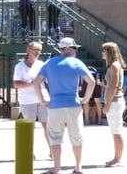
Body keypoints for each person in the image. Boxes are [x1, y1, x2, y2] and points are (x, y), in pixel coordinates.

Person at [34, 37, 95, 174]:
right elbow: (91, 81)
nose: (76, 50)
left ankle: (56, 168)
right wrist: (85, 99)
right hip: (74, 106)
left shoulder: (49, 63)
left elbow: (36, 82)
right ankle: (78, 167)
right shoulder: (76, 63)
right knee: (77, 137)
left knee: (55, 138)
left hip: (55, 106)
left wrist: (43, 100)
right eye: (74, 48)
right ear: (67, 48)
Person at [13, 42, 51, 157]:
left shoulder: (41, 64)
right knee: (30, 127)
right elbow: (17, 83)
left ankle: (53, 151)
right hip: (27, 100)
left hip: (43, 99)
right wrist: (32, 84)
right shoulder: (20, 66)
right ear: (29, 50)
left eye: (40, 50)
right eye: (36, 50)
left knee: (47, 126)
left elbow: (47, 79)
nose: (38, 53)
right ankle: (29, 152)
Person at [101, 42, 126, 167]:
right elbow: (112, 85)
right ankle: (116, 157)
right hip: (114, 101)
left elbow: (114, 86)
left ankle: (117, 159)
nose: (102, 53)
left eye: (104, 50)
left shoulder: (114, 66)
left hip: (115, 102)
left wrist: (107, 104)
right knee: (115, 131)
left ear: (109, 52)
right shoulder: (114, 66)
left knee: (116, 131)